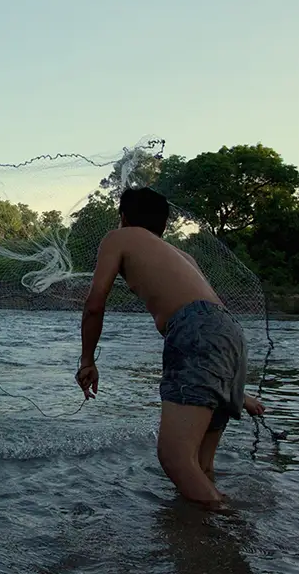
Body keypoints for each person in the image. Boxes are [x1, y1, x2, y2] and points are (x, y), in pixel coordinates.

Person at [74, 186, 266, 508]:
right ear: (164, 225)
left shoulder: (118, 238)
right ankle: (202, 532)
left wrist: (87, 360)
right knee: (200, 465)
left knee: (175, 458)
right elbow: (210, 328)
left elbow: (95, 305)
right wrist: (236, 392)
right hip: (231, 333)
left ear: (123, 218)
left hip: (197, 333)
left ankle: (228, 524)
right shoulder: (183, 256)